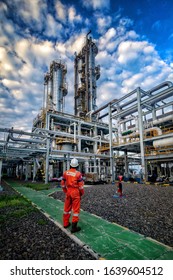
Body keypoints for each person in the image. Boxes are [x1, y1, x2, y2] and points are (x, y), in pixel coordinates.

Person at [61, 158, 84, 233]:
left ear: (70, 165)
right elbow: (81, 186)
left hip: (68, 191)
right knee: (76, 210)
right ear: (77, 166)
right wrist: (81, 193)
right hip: (75, 192)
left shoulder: (65, 173)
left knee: (66, 209)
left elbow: (62, 184)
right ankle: (74, 227)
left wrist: (65, 191)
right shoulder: (78, 174)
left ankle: (65, 223)